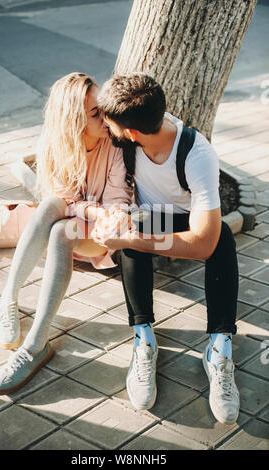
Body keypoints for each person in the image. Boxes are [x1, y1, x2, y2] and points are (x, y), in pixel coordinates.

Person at [94, 73, 240, 425]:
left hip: (189, 220)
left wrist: (129, 239)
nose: (105, 126)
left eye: (109, 122)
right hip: (149, 217)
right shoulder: (126, 140)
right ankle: (144, 339)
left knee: (221, 240)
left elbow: (202, 241)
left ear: (131, 131)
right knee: (134, 230)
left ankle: (219, 348)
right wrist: (115, 221)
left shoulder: (197, 152)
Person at [0, 72, 131, 396]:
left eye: (103, 108)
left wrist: (86, 210)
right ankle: (9, 302)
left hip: (99, 239)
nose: (106, 117)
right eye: (96, 113)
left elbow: (114, 206)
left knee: (60, 223)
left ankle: (35, 345)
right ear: (74, 120)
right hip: (70, 225)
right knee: (55, 213)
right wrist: (84, 208)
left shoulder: (114, 144)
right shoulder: (56, 146)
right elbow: (63, 200)